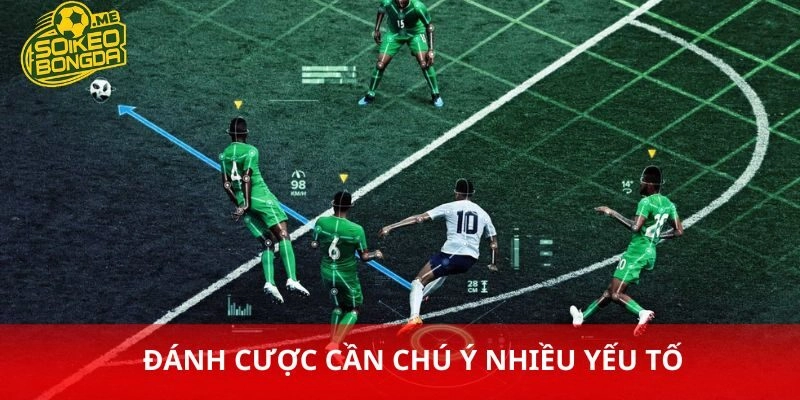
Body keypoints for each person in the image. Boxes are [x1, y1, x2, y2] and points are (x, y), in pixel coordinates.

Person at [570, 166, 683, 336]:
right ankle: (581, 317)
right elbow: (679, 231)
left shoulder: (646, 202)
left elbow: (635, 227)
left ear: (650, 184)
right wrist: (657, 236)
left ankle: (642, 313)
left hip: (637, 252)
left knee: (616, 293)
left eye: (642, 182)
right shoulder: (669, 204)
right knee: (610, 291)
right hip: (649, 252)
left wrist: (611, 212)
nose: (640, 184)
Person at [379, 179, 498, 335]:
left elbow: (419, 218)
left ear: (457, 192)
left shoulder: (450, 206)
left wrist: (391, 226)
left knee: (418, 281)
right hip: (470, 260)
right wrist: (493, 263)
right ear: (473, 193)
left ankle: (414, 318)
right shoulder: (483, 213)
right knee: (442, 272)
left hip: (452, 255)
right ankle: (423, 296)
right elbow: (493, 242)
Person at [220, 117, 310, 304]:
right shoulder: (251, 151)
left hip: (242, 202)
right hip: (261, 199)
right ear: (245, 134)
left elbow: (226, 184)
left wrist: (240, 205)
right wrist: (247, 203)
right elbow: (247, 177)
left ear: (230, 134)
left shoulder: (224, 155)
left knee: (268, 243)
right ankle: (292, 279)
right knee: (283, 235)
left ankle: (270, 283)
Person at [312, 192, 384, 355]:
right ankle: (334, 345)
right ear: (350, 206)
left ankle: (332, 343)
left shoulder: (321, 222)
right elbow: (364, 257)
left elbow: (314, 243)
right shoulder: (356, 230)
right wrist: (376, 253)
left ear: (333, 204)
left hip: (327, 272)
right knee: (354, 309)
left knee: (338, 306)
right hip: (346, 275)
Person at [358, 0, 443, 107]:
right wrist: (376, 29)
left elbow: (429, 26)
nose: (400, 1)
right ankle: (370, 94)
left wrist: (431, 50)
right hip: (394, 33)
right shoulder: (387, 2)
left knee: (424, 63)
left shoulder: (418, 7)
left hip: (415, 34)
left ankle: (436, 94)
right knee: (380, 64)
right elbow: (381, 10)